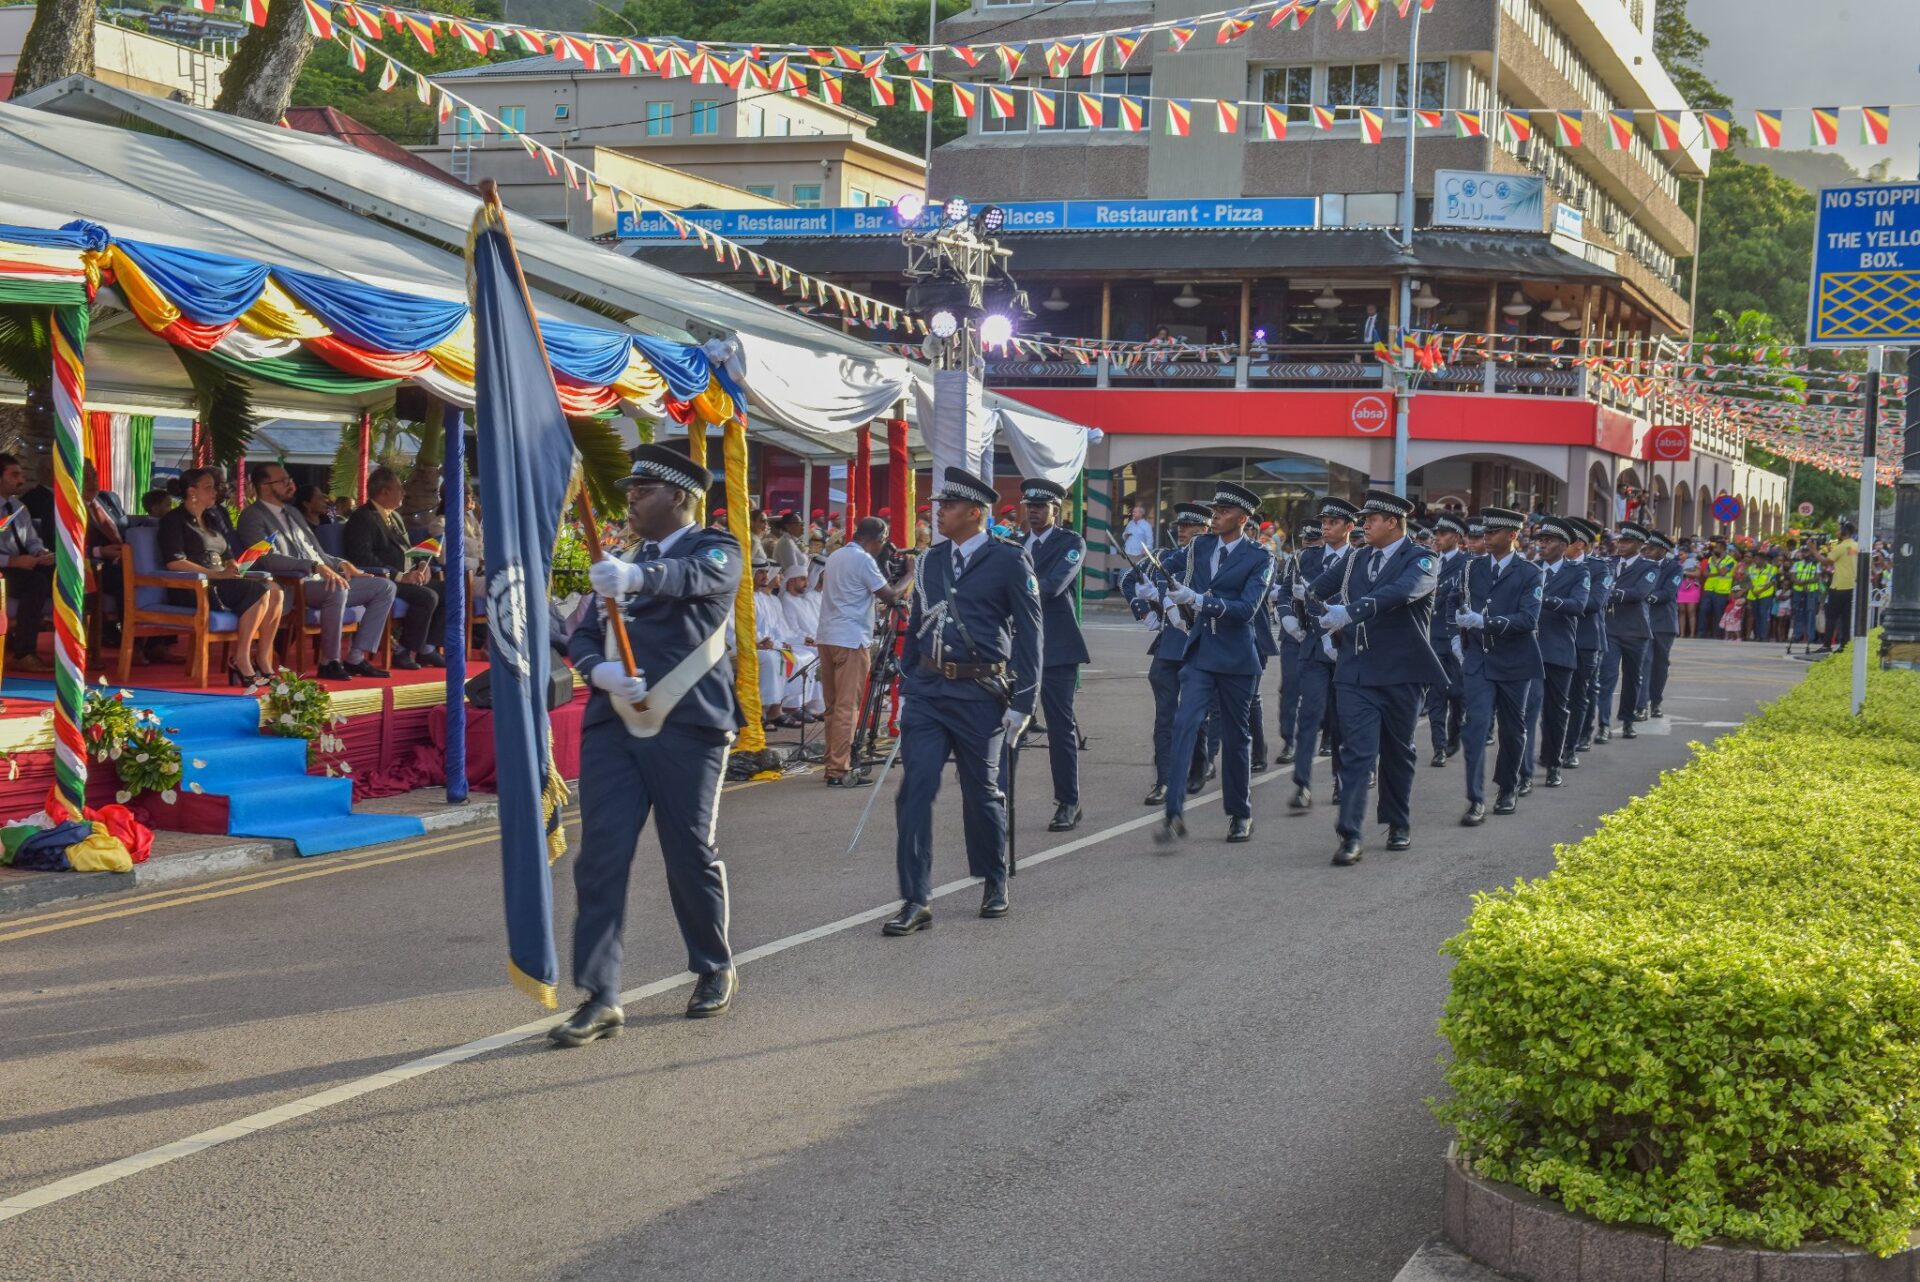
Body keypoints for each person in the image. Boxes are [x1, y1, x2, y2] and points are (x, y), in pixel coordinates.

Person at [554, 446, 744, 1046]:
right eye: (631, 490)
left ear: (679, 497)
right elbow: (583, 633)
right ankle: (600, 995)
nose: (631, 499)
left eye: (644, 490)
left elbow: (700, 579)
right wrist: (596, 669)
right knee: (601, 857)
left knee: (689, 850)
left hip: (689, 726)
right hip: (615, 729)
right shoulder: (623, 561)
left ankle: (713, 965)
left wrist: (639, 577)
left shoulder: (715, 548)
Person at [885, 466, 1041, 935]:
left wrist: (1024, 702)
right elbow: (916, 623)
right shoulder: (931, 561)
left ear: (974, 513)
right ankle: (916, 898)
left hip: (980, 694)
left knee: (982, 793)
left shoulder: (1009, 559)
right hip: (930, 693)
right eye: (938, 506)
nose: (938, 514)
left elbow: (1032, 633)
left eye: (947, 507)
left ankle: (993, 879)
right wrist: (910, 676)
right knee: (914, 791)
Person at [1311, 490, 1446, 866]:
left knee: (1398, 752)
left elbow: (1400, 592)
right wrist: (1321, 622)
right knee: (1356, 753)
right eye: (1363, 519)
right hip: (1355, 670)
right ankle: (1350, 833)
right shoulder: (1356, 559)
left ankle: (1398, 821)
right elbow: (1315, 590)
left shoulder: (1422, 559)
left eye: (1371, 519)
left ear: (1393, 522)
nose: (1364, 525)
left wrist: (1349, 612)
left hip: (1402, 672)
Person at [1154, 481, 1272, 846]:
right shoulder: (1200, 546)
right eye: (1215, 510)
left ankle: (1240, 813)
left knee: (1237, 739)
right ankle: (1173, 811)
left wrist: (1201, 600)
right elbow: (1164, 569)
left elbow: (1247, 610)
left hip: (1237, 657)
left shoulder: (1260, 557)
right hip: (1202, 652)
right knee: (1184, 723)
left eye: (1223, 512)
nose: (1215, 516)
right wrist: (1168, 601)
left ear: (1243, 518)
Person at [236, 462, 396, 680]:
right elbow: (266, 558)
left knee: (384, 587)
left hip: (322, 576)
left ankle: (355, 658)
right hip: (295, 583)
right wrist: (312, 566)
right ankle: (329, 661)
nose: (290, 484)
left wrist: (340, 564)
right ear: (265, 486)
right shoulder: (252, 516)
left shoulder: (292, 512)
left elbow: (317, 552)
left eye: (289, 479)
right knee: (336, 589)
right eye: (283, 481)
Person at [158, 467, 285, 685]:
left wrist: (234, 567)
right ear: (192, 491)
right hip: (192, 586)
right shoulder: (174, 520)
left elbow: (228, 556)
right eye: (208, 487)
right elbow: (174, 561)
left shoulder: (212, 519)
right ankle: (241, 659)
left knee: (275, 590)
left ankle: (263, 658)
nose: (215, 492)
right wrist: (214, 574)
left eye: (214, 487)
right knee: (258, 591)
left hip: (220, 582)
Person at [1456, 507, 1544, 823]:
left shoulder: (1530, 572)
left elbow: (1528, 618)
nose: (1486, 537)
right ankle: (1475, 799)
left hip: (1513, 661)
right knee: (1476, 726)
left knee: (1512, 729)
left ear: (1512, 535)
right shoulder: (1472, 568)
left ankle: (1507, 787)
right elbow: (1459, 600)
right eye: (1484, 532)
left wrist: (1485, 621)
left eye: (1493, 532)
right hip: (1479, 658)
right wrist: (1460, 631)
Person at [1123, 502, 1210, 806]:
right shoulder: (1165, 557)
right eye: (1180, 526)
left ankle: (1200, 765)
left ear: (1206, 529)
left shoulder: (1214, 561)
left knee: (1194, 715)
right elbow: (1128, 580)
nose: (1182, 531)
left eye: (1190, 527)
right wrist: (1146, 609)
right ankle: (1164, 779)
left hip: (1201, 645)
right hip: (1170, 645)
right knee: (1165, 717)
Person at [1016, 477, 1090, 832]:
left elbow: (1054, 584)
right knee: (1006, 725)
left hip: (1057, 647)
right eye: (1029, 506)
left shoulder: (1070, 542)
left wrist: (1011, 594)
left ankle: (1068, 801)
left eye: (1040, 507)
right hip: (1017, 648)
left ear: (1055, 511)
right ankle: (996, 799)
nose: (1033, 512)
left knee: (1060, 729)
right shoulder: (1012, 544)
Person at [816, 516, 913, 787]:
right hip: (851, 640)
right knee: (848, 707)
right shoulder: (863, 560)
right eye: (882, 542)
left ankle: (832, 761)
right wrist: (911, 574)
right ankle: (839, 770)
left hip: (827, 637)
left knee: (833, 707)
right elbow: (891, 596)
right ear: (878, 538)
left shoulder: (836, 556)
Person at [1286, 499, 1357, 814]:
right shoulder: (1306, 557)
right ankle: (1302, 784)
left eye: (1333, 522)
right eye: (1324, 522)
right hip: (1313, 649)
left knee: (1343, 720)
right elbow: (1285, 594)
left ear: (1348, 527)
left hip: (1345, 649)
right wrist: (1290, 618)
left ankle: (1342, 780)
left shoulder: (1359, 560)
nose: (1325, 527)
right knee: (1309, 715)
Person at [344, 467, 447, 670]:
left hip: (407, 576)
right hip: (382, 579)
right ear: (384, 492)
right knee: (427, 596)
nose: (404, 493)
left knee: (449, 590)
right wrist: (401, 576)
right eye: (399, 489)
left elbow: (408, 550)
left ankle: (426, 648)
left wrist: (421, 566)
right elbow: (362, 557)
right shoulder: (363, 518)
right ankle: (403, 651)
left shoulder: (395, 517)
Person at [1532, 516, 1587, 789]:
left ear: (1564, 545)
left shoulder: (1578, 573)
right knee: (1522, 712)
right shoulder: (1528, 569)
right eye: (1540, 540)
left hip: (1557, 649)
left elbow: (1578, 605)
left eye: (1548, 540)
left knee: (1555, 711)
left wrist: (1545, 599)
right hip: (1526, 650)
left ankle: (1553, 763)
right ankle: (1521, 769)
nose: (1542, 545)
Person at [1603, 523, 1658, 740]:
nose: (1621, 545)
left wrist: (1611, 592)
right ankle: (1603, 725)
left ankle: (1627, 720)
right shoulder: (1609, 563)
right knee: (1606, 676)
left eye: (1627, 542)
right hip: (1610, 627)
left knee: (1632, 678)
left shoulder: (1650, 567)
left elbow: (1639, 592)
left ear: (1639, 545)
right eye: (1620, 541)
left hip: (1635, 630)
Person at [0, 452, 54, 672]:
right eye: (14, 475)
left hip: (21, 565)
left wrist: (40, 552)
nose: (21, 480)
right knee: (36, 582)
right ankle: (24, 652)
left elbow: (31, 539)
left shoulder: (19, 507)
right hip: (5, 566)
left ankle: (82, 648)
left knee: (66, 573)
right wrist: (12, 561)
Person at [1423, 513, 1469, 767]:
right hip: (1432, 638)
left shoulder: (1466, 564)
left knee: (1458, 694)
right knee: (1436, 695)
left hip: (1455, 639)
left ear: (1457, 537)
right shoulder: (1428, 561)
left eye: (1443, 534)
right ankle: (1438, 747)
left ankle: (1455, 734)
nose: (1437, 538)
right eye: (1436, 534)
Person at [1643, 531, 1682, 717]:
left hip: (1664, 623)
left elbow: (1668, 592)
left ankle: (1656, 701)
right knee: (1644, 663)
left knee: (1660, 664)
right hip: (1642, 621)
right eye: (1646, 547)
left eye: (1651, 548)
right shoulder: (1642, 565)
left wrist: (1646, 596)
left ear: (1663, 550)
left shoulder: (1674, 567)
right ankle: (1641, 704)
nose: (1647, 550)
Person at [1819, 521, 1860, 652]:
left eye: (1839, 529)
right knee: (1846, 618)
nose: (1837, 532)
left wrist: (1814, 551)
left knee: (1831, 617)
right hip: (1852, 585)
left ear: (1844, 532)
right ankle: (1844, 646)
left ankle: (1826, 645)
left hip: (1839, 586)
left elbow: (1826, 562)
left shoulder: (1841, 547)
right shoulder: (1856, 546)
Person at [1698, 539, 1735, 639]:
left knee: (1718, 613)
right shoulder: (1710, 559)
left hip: (1722, 590)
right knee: (1703, 610)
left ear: (1722, 548)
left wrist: (1716, 564)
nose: (1714, 549)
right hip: (1709, 589)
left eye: (1717, 547)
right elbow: (1705, 574)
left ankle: (1718, 634)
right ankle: (1701, 633)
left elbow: (1723, 573)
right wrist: (1717, 572)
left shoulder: (1730, 561)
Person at [771, 509, 808, 580]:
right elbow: (792, 569)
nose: (802, 527)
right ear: (788, 526)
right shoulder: (786, 542)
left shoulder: (795, 540)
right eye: (798, 524)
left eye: (802, 524)